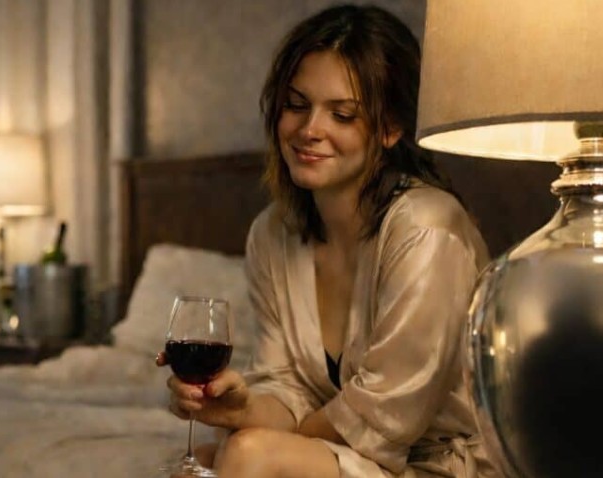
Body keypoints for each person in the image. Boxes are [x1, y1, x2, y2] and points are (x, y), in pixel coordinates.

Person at [158, 4, 495, 477]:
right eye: (296, 105)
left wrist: (255, 438)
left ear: (390, 128)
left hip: (441, 465)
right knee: (200, 464)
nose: (309, 130)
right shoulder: (272, 234)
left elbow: (384, 416)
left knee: (246, 454)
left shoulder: (428, 229)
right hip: (348, 453)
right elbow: (286, 388)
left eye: (342, 114)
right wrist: (238, 410)